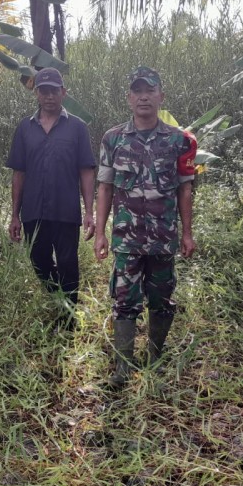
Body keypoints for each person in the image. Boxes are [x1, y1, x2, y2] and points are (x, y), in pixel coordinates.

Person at [94, 66, 197, 388]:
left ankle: (155, 359)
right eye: (137, 91)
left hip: (163, 237)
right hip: (126, 238)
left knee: (162, 298)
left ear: (160, 97)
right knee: (124, 300)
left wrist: (187, 233)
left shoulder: (180, 141)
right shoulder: (113, 139)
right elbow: (105, 188)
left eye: (150, 91)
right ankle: (123, 367)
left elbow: (185, 189)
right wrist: (99, 232)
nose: (143, 96)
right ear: (129, 98)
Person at [7, 67, 96, 328]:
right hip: (33, 210)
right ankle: (61, 300)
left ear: (63, 93)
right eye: (43, 91)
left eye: (54, 91)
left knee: (68, 263)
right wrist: (14, 214)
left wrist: (89, 211)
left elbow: (86, 172)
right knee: (39, 261)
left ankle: (68, 320)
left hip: (66, 210)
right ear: (36, 93)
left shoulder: (77, 127)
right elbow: (19, 173)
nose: (49, 96)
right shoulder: (25, 128)